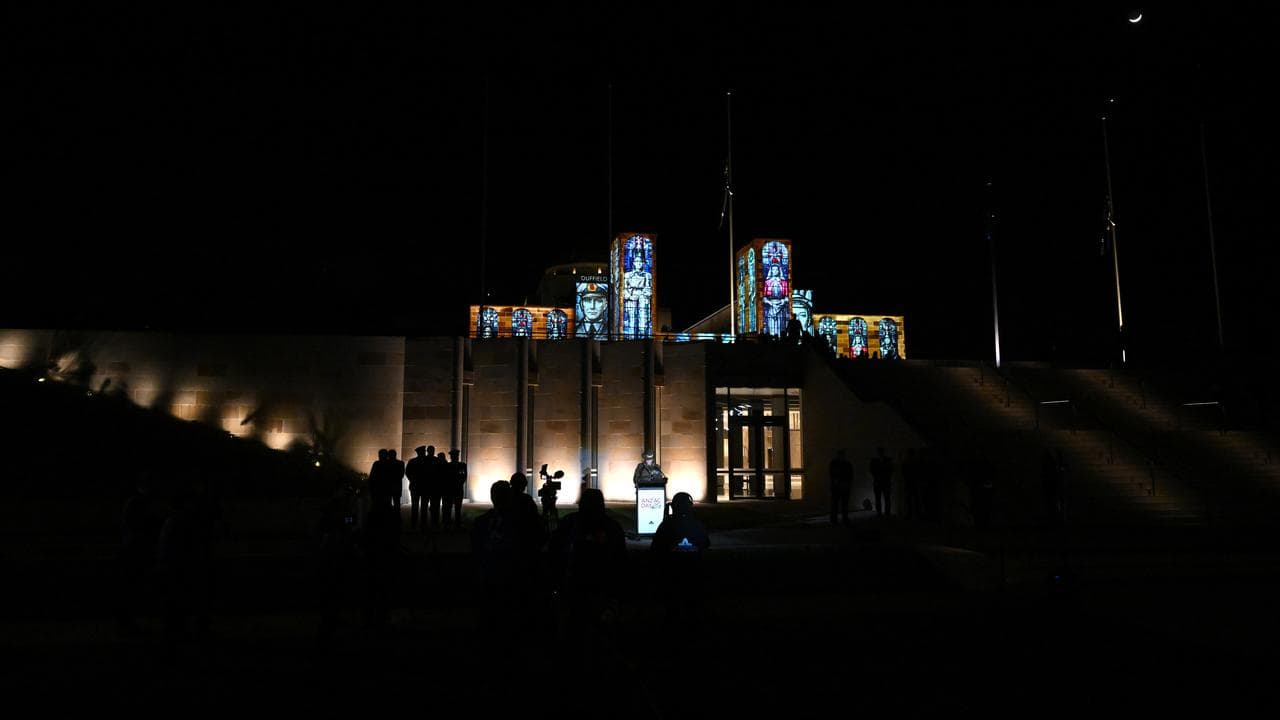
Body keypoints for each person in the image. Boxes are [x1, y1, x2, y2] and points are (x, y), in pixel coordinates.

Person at [650, 492, 710, 627]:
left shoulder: (667, 525)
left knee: (673, 610)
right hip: (692, 575)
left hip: (672, 575)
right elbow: (705, 545)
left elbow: (655, 548)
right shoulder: (697, 525)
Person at [623, 250, 653, 338]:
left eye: (641, 261)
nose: (639, 263)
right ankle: (632, 338)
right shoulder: (627, 275)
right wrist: (630, 296)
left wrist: (642, 295)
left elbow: (650, 289)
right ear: (633, 263)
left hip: (643, 300)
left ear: (643, 263)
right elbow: (623, 289)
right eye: (637, 261)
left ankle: (643, 338)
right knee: (632, 320)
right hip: (631, 300)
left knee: (643, 320)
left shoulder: (648, 275)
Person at [405, 445, 431, 530]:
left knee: (415, 506)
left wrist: (412, 480)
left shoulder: (412, 461)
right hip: (424, 486)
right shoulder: (428, 462)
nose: (424, 453)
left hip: (416, 486)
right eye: (423, 452)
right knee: (423, 507)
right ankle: (423, 524)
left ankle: (414, 524)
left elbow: (407, 473)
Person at [828, 449, 853, 525]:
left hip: (840, 486)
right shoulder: (846, 464)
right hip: (839, 486)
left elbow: (850, 474)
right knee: (838, 503)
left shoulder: (835, 463)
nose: (841, 457)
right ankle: (839, 519)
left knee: (839, 503)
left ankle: (837, 519)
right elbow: (850, 474)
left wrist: (844, 482)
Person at [445, 448, 467, 530]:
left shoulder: (449, 466)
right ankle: (455, 523)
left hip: (453, 488)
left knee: (455, 507)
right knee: (453, 507)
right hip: (455, 488)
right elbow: (464, 476)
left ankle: (453, 523)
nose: (455, 457)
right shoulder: (461, 465)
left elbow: (464, 476)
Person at [870, 447, 894, 517]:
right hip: (880, 482)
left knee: (885, 498)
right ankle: (880, 513)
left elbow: (891, 470)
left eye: (881, 452)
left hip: (883, 482)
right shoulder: (875, 461)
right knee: (880, 499)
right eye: (880, 452)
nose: (880, 453)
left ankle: (885, 513)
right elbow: (872, 470)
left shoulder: (876, 461)